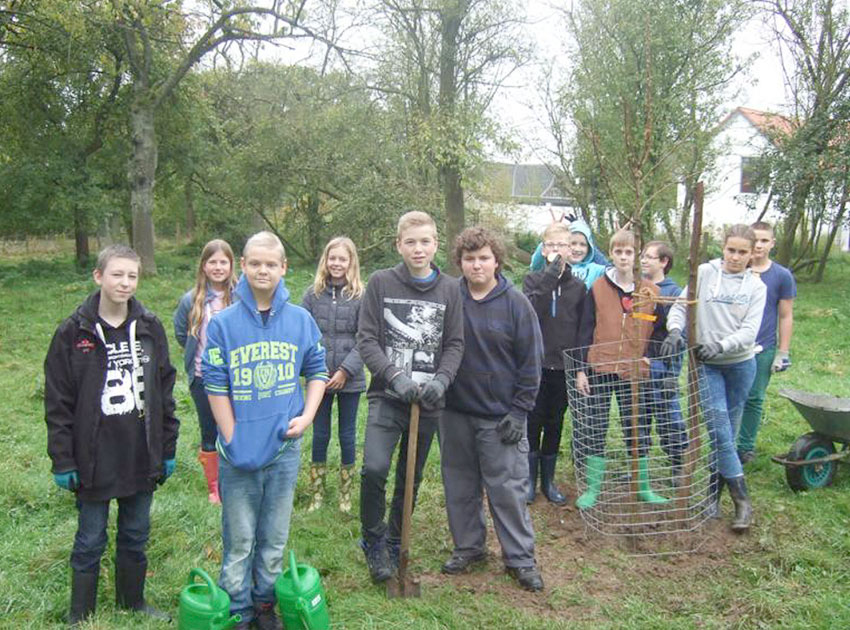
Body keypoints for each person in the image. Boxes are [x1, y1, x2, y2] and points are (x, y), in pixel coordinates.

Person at [45, 244, 178, 625]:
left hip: (140, 454)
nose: (125, 283)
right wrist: (63, 459)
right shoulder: (74, 333)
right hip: (93, 459)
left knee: (135, 534)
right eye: (117, 274)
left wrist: (166, 449)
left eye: (132, 276)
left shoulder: (150, 327)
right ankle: (80, 613)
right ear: (99, 276)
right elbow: (57, 403)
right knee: (90, 539)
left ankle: (131, 602)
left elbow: (164, 391)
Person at [202, 231, 328, 629]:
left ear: (284, 268)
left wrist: (307, 416)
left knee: (274, 536)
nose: (262, 270)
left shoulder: (300, 320)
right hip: (238, 451)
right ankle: (237, 606)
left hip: (283, 449)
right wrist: (231, 434)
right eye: (255, 263)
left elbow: (317, 371)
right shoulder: (223, 323)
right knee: (239, 539)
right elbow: (215, 382)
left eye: (271, 264)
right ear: (243, 266)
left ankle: (265, 604)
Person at [356, 211, 464, 583]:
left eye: (425, 241)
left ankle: (395, 541)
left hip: (429, 402)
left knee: (410, 476)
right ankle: (372, 540)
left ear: (436, 244)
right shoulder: (380, 282)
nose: (418, 249)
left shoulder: (451, 289)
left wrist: (443, 379)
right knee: (374, 469)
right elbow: (367, 339)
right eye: (411, 242)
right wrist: (394, 375)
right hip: (388, 397)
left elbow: (454, 343)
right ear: (398, 245)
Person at [440, 227, 544, 591]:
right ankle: (469, 547)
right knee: (459, 485)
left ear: (496, 261)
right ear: (460, 263)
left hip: (500, 418)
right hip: (454, 412)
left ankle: (520, 558)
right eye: (469, 259)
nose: (476, 265)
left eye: (484, 258)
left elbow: (532, 364)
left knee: (508, 490)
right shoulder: (451, 298)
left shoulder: (517, 304)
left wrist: (519, 412)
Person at [664, 224, 766, 532]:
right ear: (723, 248)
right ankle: (742, 500)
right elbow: (682, 307)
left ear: (752, 254)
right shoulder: (705, 274)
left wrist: (720, 345)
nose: (735, 257)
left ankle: (712, 498)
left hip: (740, 365)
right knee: (720, 427)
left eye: (742, 252)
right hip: (706, 365)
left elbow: (749, 332)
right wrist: (674, 330)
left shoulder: (756, 288)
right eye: (731, 250)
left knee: (726, 435)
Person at [573, 229, 669, 510]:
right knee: (596, 427)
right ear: (611, 254)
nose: (624, 257)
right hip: (599, 368)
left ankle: (643, 487)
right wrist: (581, 369)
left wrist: (650, 357)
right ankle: (592, 489)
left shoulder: (651, 292)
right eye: (618, 252)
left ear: (637, 256)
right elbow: (584, 330)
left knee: (637, 427)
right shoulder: (598, 288)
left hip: (635, 372)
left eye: (629, 252)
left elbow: (660, 332)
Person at [522, 222, 586, 505]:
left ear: (571, 250)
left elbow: (583, 329)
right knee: (532, 421)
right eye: (552, 246)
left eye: (563, 246)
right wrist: (548, 278)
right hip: (535, 366)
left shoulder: (579, 287)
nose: (557, 251)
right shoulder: (532, 282)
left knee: (555, 423)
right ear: (544, 249)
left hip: (563, 367)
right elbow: (527, 313)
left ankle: (548, 480)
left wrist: (579, 367)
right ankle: (528, 481)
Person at [301, 237, 366, 513]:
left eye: (343, 259)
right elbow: (303, 334)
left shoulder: (361, 296)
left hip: (350, 379)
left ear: (351, 262)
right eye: (332, 258)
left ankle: (345, 493)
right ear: (325, 261)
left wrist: (345, 371)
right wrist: (316, 371)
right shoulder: (311, 295)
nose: (337, 263)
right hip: (319, 380)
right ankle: (317, 492)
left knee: (347, 435)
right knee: (320, 434)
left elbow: (367, 338)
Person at [174, 239, 238, 504]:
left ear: (232, 266)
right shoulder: (191, 300)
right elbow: (181, 334)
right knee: (209, 430)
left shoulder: (241, 296)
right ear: (204, 266)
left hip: (236, 377)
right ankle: (215, 487)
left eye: (223, 262)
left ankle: (235, 477)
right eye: (213, 262)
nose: (218, 267)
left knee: (234, 428)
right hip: (203, 377)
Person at [736, 221, 796, 463]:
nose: (759, 245)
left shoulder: (781, 276)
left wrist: (782, 351)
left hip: (762, 347)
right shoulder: (736, 269)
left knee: (754, 397)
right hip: (734, 346)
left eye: (764, 241)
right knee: (733, 397)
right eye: (755, 240)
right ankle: (725, 444)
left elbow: (785, 314)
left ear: (772, 243)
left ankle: (746, 447)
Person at [640, 241, 688, 484]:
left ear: (664, 262)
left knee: (669, 418)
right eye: (643, 256)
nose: (644, 260)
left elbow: (679, 338)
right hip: (638, 365)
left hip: (661, 366)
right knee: (637, 418)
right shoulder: (638, 288)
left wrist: (672, 373)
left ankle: (678, 464)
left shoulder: (672, 293)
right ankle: (640, 468)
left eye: (650, 257)